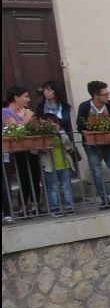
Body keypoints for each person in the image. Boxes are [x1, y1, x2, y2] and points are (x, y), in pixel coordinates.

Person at [76, 80, 110, 210]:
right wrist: (95, 125)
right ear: (96, 96)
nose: (108, 96)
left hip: (109, 144)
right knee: (96, 172)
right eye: (105, 94)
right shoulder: (85, 106)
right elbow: (80, 126)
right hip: (92, 145)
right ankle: (104, 200)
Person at [3, 86, 43, 216]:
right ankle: (22, 207)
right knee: (24, 177)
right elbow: (15, 131)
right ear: (16, 98)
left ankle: (35, 205)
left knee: (35, 175)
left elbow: (30, 129)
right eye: (25, 96)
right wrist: (26, 117)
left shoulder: (25, 111)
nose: (28, 99)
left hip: (30, 148)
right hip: (15, 151)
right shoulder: (5, 112)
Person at [35, 103, 74, 216]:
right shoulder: (42, 138)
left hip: (64, 165)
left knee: (66, 186)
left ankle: (69, 206)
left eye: (55, 123)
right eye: (50, 124)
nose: (54, 125)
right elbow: (34, 151)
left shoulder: (63, 135)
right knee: (52, 188)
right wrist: (42, 149)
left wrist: (68, 148)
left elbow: (70, 147)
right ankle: (55, 208)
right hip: (49, 167)